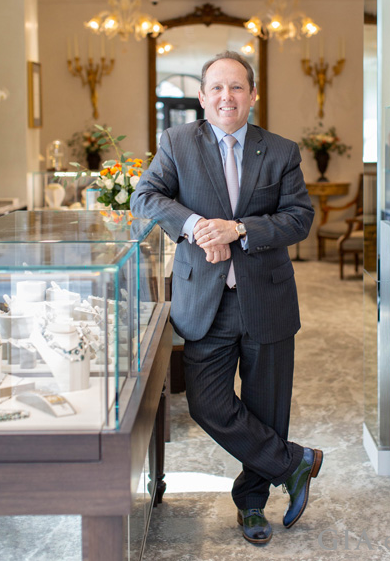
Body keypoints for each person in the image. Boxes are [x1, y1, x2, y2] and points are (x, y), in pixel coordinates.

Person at [131, 51, 323, 545]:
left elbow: (300, 217)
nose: (226, 97)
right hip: (206, 302)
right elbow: (146, 197)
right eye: (216, 88)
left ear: (253, 95)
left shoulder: (280, 151)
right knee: (207, 403)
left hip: (267, 300)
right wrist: (196, 227)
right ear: (201, 96)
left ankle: (252, 505)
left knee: (266, 409)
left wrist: (237, 228)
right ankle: (293, 462)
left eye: (236, 88)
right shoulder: (177, 142)